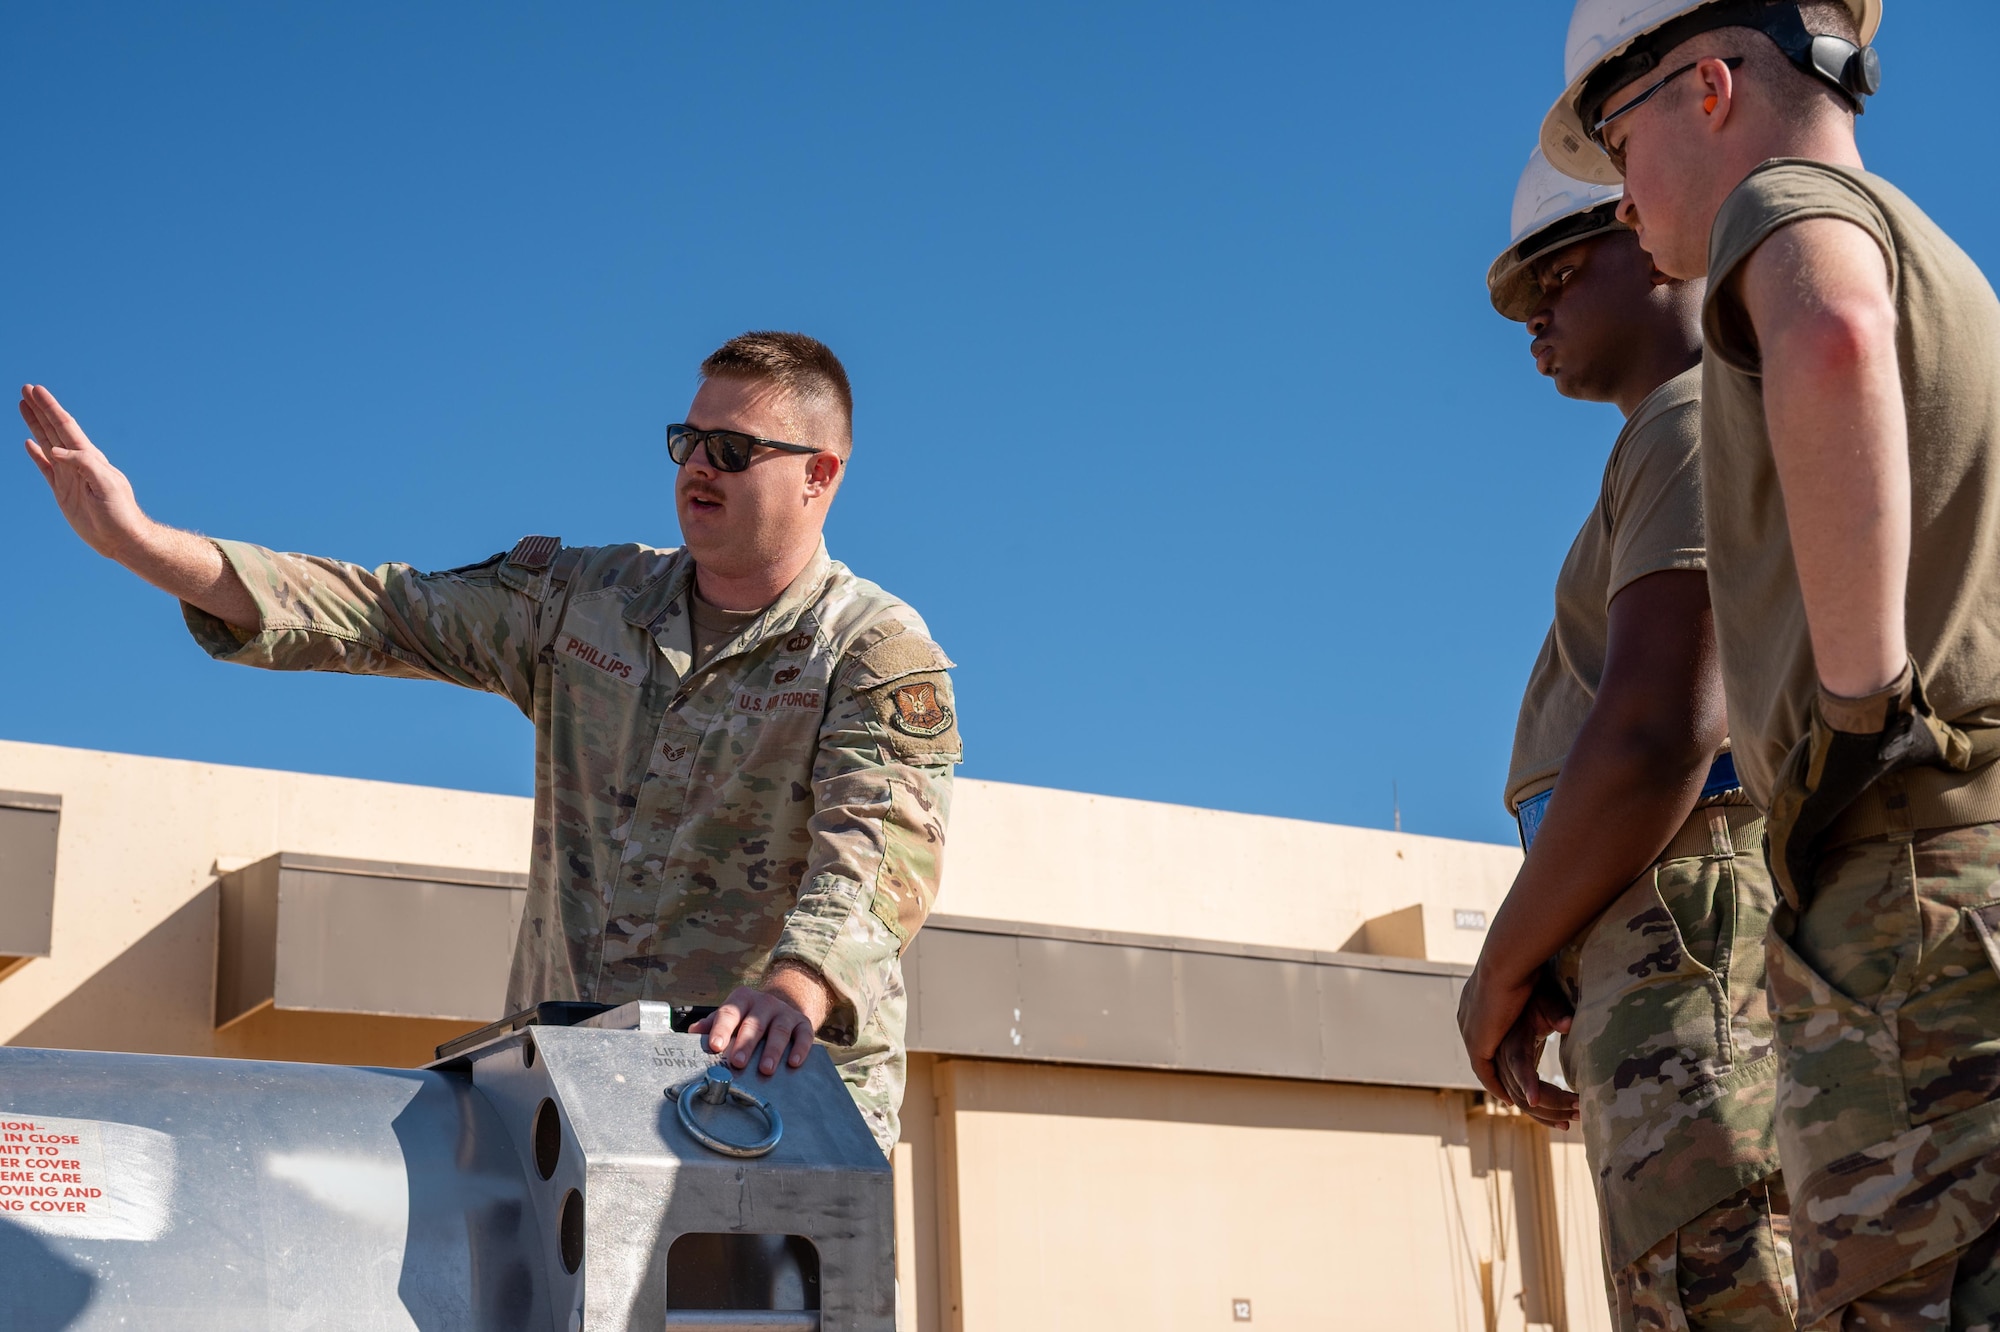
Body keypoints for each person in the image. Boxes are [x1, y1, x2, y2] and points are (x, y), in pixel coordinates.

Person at [19, 330, 960, 1155]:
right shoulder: (581, 603)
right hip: (573, 1087)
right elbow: (380, 611)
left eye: (732, 447)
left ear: (819, 473)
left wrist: (796, 984)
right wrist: (141, 544)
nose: (696, 466)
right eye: (686, 441)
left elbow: (880, 849)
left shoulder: (871, 650)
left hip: (776, 1104)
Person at [1544, 1, 2000, 1323]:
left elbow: (1831, 339)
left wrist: (1859, 705)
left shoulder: (1784, 207)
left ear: (1707, 88)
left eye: (1616, 141)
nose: (1618, 198)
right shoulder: (1944, 261)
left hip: (1904, 884)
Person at [1459, 149, 1791, 1328]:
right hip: (1656, 915)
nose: (1533, 314)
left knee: (1726, 1291)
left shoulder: (1695, 420)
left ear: (1645, 240)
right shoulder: (1673, 429)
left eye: (1553, 271)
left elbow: (1656, 734)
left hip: (1689, 920)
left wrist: (1501, 962)